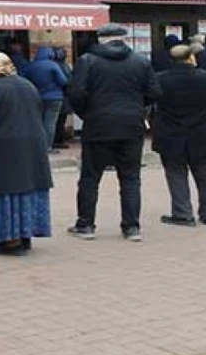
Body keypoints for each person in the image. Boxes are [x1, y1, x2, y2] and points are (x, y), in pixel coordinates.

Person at [68, 23, 161, 242]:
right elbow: (155, 92)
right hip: (131, 126)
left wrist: (87, 114)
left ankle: (86, 225)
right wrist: (137, 108)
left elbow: (76, 93)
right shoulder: (140, 61)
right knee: (130, 178)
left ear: (100, 39)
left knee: (90, 178)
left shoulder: (87, 61)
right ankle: (131, 227)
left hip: (98, 125)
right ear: (123, 39)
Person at [0, 53, 53, 255]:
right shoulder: (27, 85)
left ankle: (9, 241)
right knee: (27, 190)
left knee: (4, 193)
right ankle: (25, 236)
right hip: (33, 145)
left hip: (0, 147)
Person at [152, 45, 206, 227]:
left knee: (175, 173)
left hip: (171, 132)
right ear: (191, 58)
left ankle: (183, 213)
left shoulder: (160, 79)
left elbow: (153, 98)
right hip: (203, 130)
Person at [21, 45, 69, 151]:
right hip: (54, 98)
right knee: (50, 122)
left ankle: (38, 145)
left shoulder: (31, 66)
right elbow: (64, 81)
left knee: (39, 122)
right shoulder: (53, 65)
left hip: (36, 97)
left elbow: (23, 80)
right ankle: (47, 146)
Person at [51, 46, 74, 149]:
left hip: (62, 95)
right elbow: (65, 80)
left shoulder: (60, 65)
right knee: (59, 120)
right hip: (61, 95)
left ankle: (58, 139)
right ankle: (58, 140)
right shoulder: (60, 66)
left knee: (59, 120)